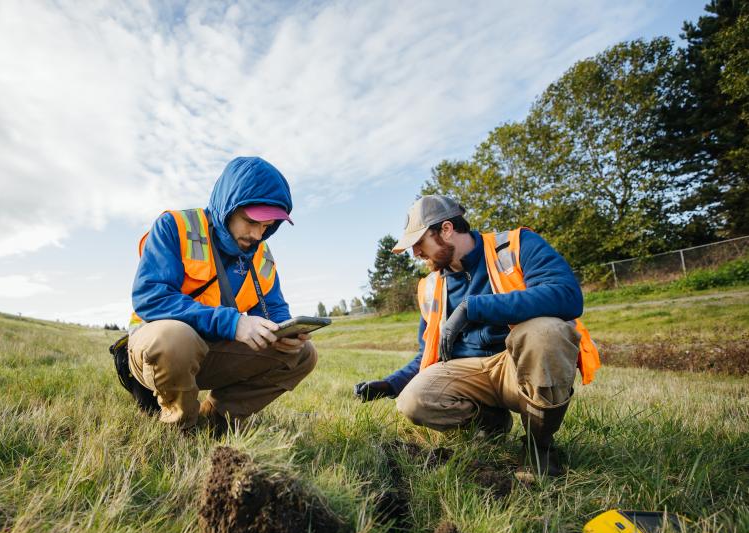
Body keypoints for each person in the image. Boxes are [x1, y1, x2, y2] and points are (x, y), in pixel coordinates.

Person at [354, 195, 600, 476]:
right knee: (412, 400)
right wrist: (390, 384)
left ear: (446, 229)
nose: (417, 255)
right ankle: (491, 424)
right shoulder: (431, 285)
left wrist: (473, 307)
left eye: (420, 244)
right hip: (469, 373)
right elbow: (428, 352)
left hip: (517, 365)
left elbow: (566, 295)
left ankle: (539, 446)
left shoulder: (516, 245)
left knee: (547, 332)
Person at [123, 156, 317, 431]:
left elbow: (274, 312)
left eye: (267, 226)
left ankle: (216, 422)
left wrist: (288, 335)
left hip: (212, 351)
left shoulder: (261, 256)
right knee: (175, 338)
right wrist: (233, 322)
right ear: (228, 207)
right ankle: (181, 427)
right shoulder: (175, 227)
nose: (258, 234)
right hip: (156, 350)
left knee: (304, 354)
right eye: (250, 221)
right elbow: (150, 297)